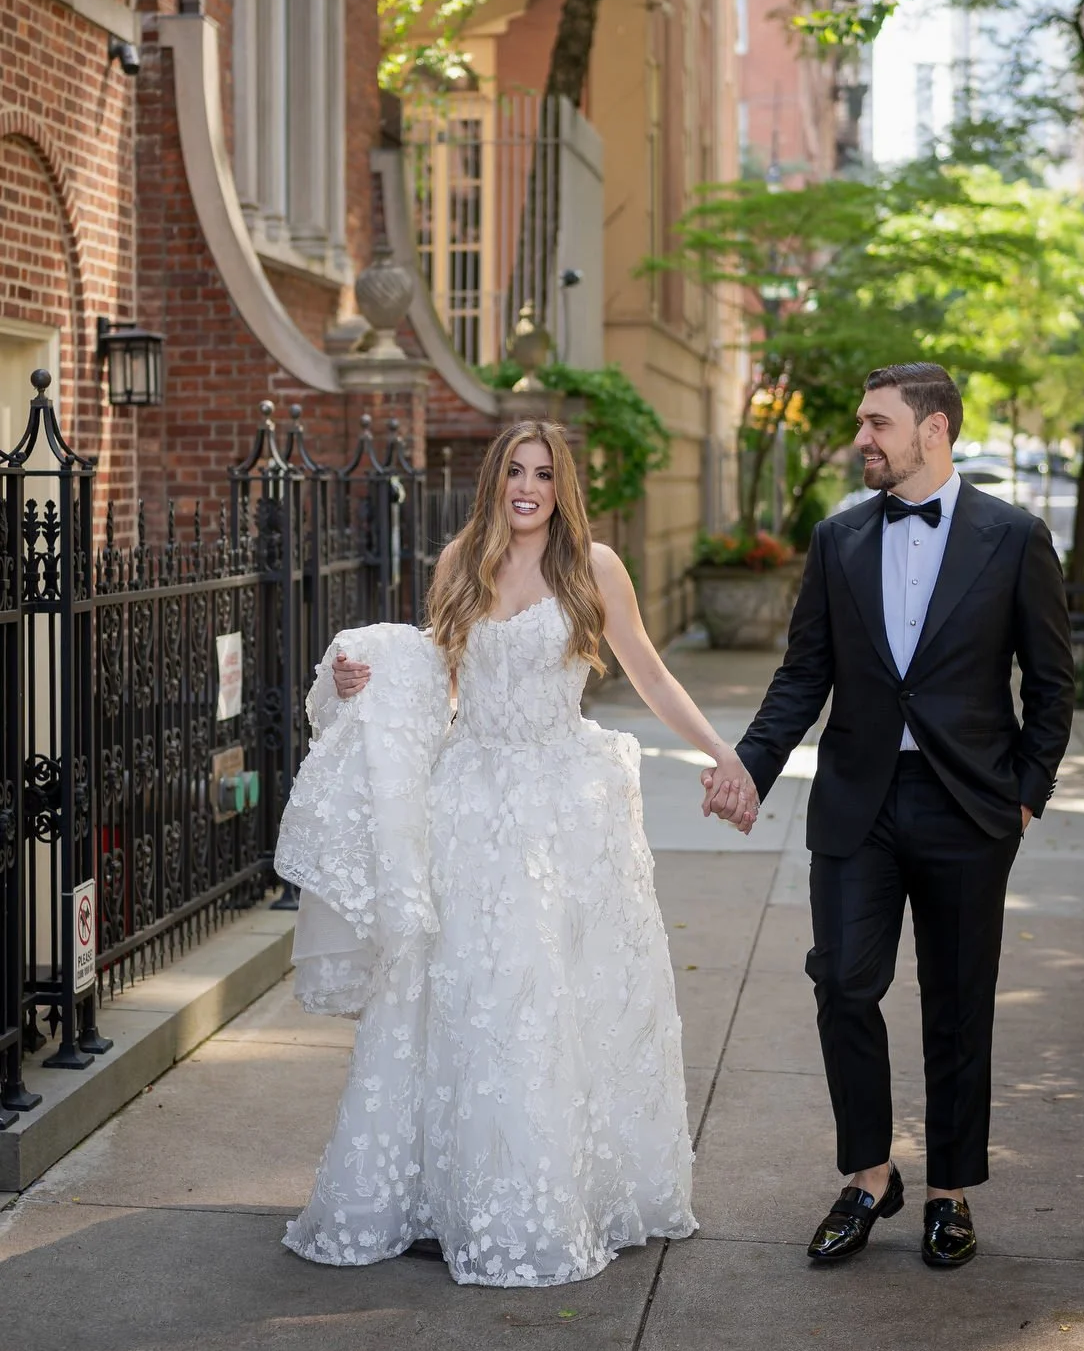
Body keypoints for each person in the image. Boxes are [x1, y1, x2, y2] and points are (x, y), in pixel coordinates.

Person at [277, 418, 757, 1287]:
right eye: (514, 473)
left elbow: (649, 673)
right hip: (470, 803)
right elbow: (437, 682)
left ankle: (555, 1193)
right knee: (462, 995)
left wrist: (726, 756)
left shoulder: (594, 568)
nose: (527, 488)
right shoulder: (460, 563)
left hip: (562, 809)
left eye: (543, 474)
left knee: (552, 1002)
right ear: (495, 481)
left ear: (560, 485)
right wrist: (361, 682)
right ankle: (446, 1194)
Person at [704, 364, 1074, 1269]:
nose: (862, 439)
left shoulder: (1015, 537)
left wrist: (1024, 793)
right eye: (862, 424)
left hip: (968, 808)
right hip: (857, 805)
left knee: (956, 1003)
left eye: (878, 424)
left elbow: (1054, 684)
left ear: (933, 429)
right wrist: (746, 765)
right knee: (843, 985)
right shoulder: (838, 540)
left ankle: (948, 1191)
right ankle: (869, 1176)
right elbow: (803, 675)